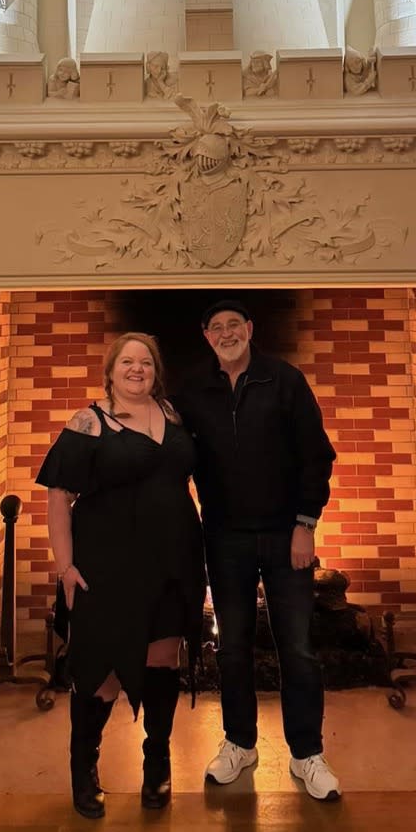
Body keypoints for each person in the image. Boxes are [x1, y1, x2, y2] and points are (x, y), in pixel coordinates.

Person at [174, 300, 340, 802]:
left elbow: (316, 456)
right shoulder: (191, 391)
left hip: (286, 534)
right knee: (232, 648)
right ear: (206, 336)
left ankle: (307, 753)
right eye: (216, 327)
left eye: (234, 325)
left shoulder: (284, 380)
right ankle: (240, 743)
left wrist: (305, 524)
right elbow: (168, 451)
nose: (226, 333)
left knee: (298, 649)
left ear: (249, 329)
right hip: (224, 538)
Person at [36, 333, 205, 820]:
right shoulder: (89, 422)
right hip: (106, 568)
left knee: (162, 661)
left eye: (146, 362)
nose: (137, 369)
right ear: (110, 371)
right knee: (103, 672)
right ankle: (84, 770)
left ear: (156, 371)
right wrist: (65, 566)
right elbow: (58, 496)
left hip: (171, 564)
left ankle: (157, 763)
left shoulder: (173, 415)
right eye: (127, 362)